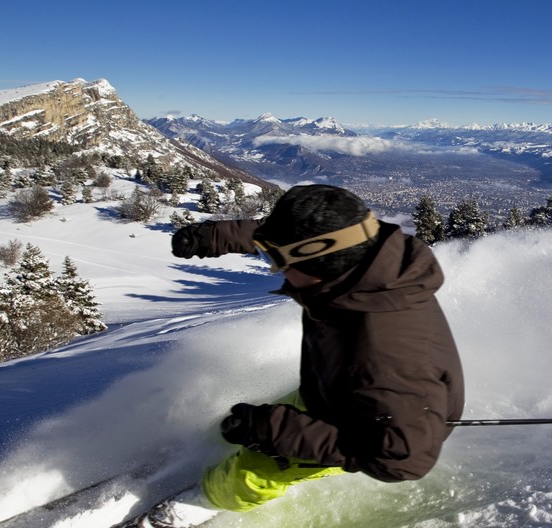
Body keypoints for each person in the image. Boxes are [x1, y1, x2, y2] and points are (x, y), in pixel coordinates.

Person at [125, 184, 465, 528]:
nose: (275, 269)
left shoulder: (385, 358)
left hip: (370, 430)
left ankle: (202, 502)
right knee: (250, 424)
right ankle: (210, 446)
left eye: (274, 260)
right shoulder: (370, 260)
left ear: (320, 263)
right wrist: (213, 236)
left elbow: (401, 460)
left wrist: (276, 430)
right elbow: (284, 237)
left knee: (257, 470)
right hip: (341, 390)